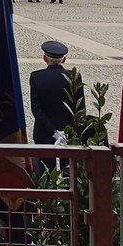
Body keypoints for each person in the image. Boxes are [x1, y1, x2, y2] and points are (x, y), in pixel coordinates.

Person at [28, 40, 84, 174]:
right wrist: (67, 132)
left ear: (44, 58)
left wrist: (53, 132)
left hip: (44, 132)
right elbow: (80, 108)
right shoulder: (74, 77)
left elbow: (36, 109)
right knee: (70, 175)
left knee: (46, 173)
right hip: (69, 134)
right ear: (64, 59)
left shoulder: (37, 77)